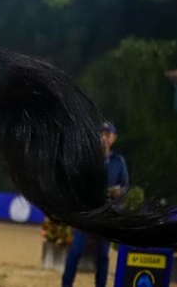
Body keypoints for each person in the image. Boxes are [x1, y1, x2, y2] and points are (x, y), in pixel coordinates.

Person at [61, 121, 129, 287]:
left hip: (107, 212)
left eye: (108, 134)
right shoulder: (88, 159)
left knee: (103, 255)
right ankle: (66, 284)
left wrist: (119, 191)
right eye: (102, 134)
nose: (105, 138)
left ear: (114, 138)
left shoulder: (119, 161)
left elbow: (126, 185)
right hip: (88, 212)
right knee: (76, 251)